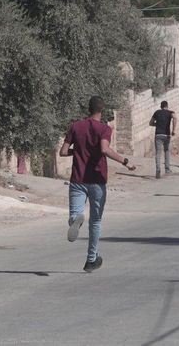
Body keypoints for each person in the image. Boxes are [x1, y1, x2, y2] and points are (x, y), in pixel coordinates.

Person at [59, 96, 137, 272]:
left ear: (88, 108)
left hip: (77, 180)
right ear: (102, 111)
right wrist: (125, 161)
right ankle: (91, 260)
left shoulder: (76, 126)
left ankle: (75, 220)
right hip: (97, 180)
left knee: (75, 213)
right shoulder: (104, 129)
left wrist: (78, 151)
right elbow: (104, 149)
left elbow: (63, 152)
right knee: (95, 222)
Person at [149, 100, 176, 178]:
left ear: (161, 106)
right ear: (167, 106)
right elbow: (175, 118)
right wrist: (174, 130)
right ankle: (167, 169)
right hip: (166, 135)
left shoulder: (157, 112)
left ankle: (158, 169)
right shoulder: (170, 112)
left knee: (158, 153)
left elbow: (150, 123)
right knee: (166, 151)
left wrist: (157, 124)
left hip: (158, 135)